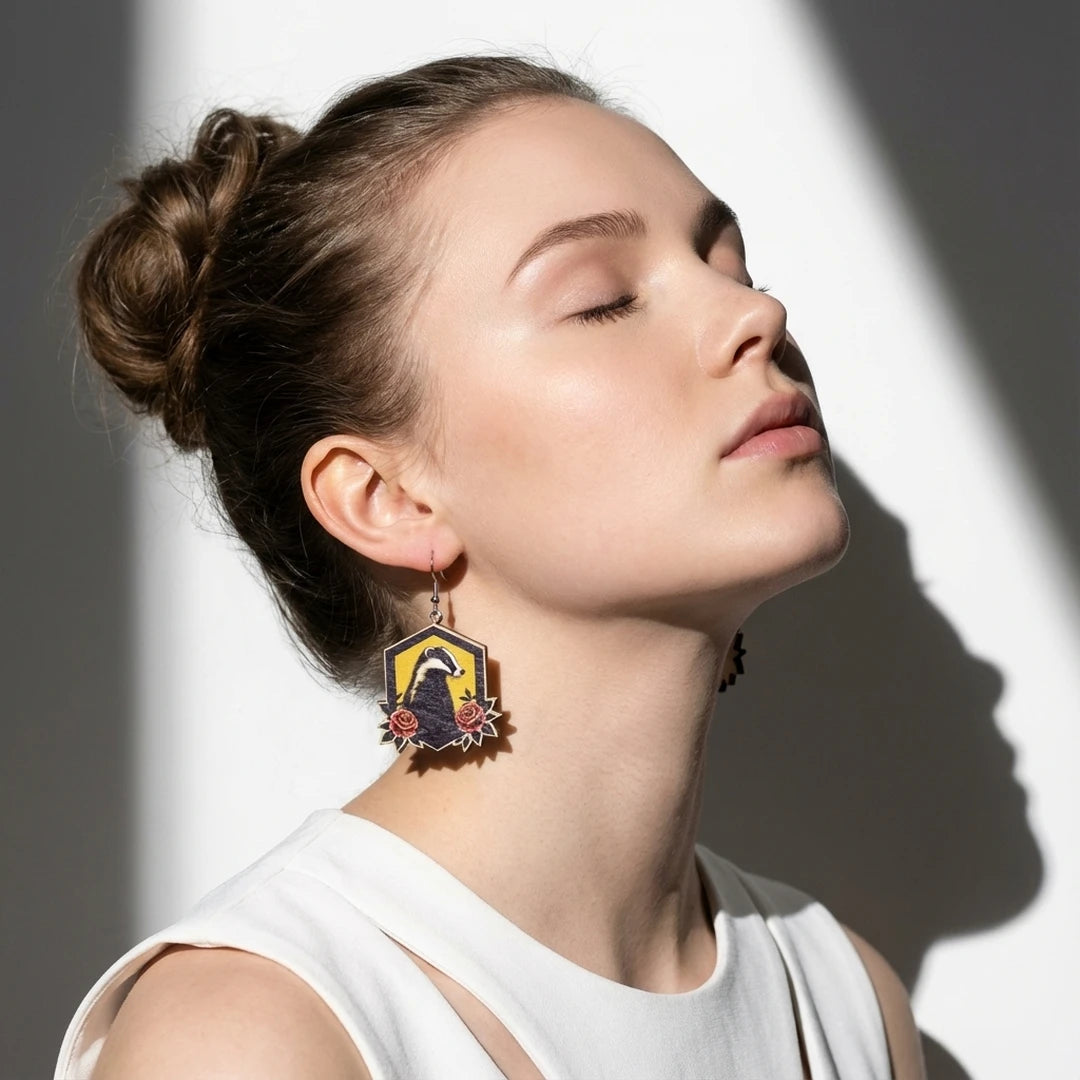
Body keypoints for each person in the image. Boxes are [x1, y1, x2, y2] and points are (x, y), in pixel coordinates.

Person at [55, 52, 927, 1080]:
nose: (757, 318)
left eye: (736, 270)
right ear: (387, 499)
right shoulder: (253, 1036)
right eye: (603, 299)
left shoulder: (844, 999)